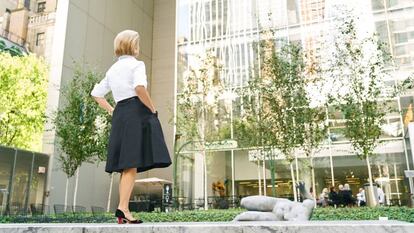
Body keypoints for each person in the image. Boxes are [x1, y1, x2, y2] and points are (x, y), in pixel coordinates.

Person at [91, 30, 172, 224]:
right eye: (138, 43)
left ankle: (124, 209)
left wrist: (112, 110)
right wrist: (152, 108)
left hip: (121, 114)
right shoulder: (137, 65)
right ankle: (122, 208)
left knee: (127, 165)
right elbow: (139, 88)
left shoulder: (112, 69)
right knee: (130, 163)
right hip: (136, 112)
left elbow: (96, 93)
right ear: (133, 46)